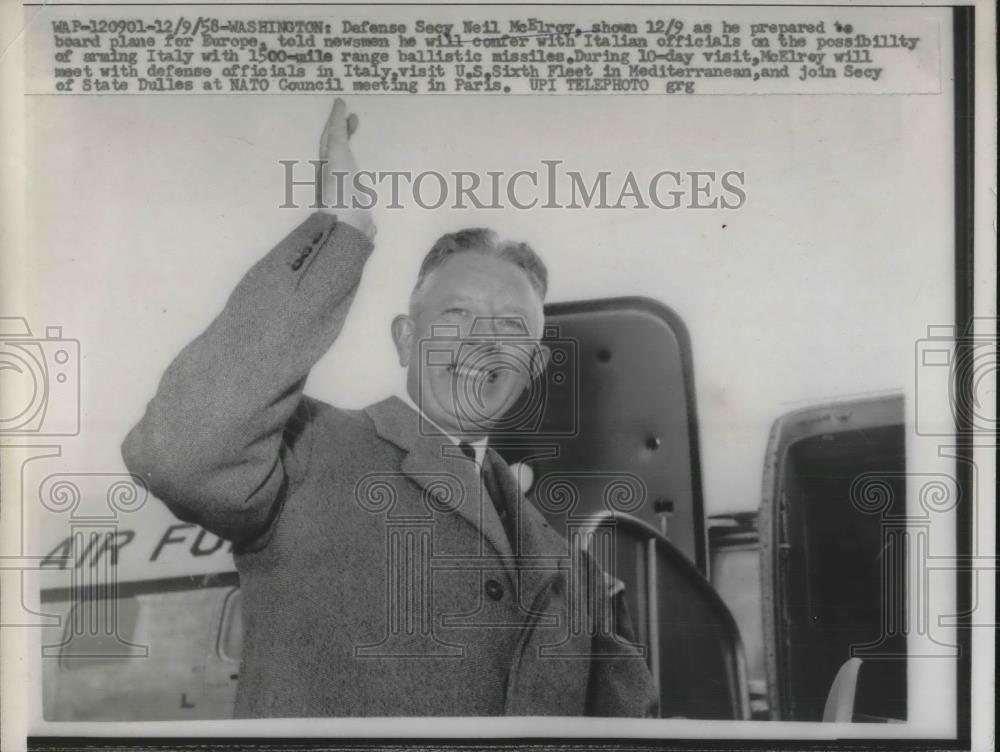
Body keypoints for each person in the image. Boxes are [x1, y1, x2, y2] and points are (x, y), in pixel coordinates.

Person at [122, 99, 657, 718]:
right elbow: (179, 450)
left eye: (511, 328)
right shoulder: (311, 454)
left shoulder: (572, 566)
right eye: (456, 317)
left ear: (532, 367)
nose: (482, 344)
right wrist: (343, 228)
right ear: (405, 338)